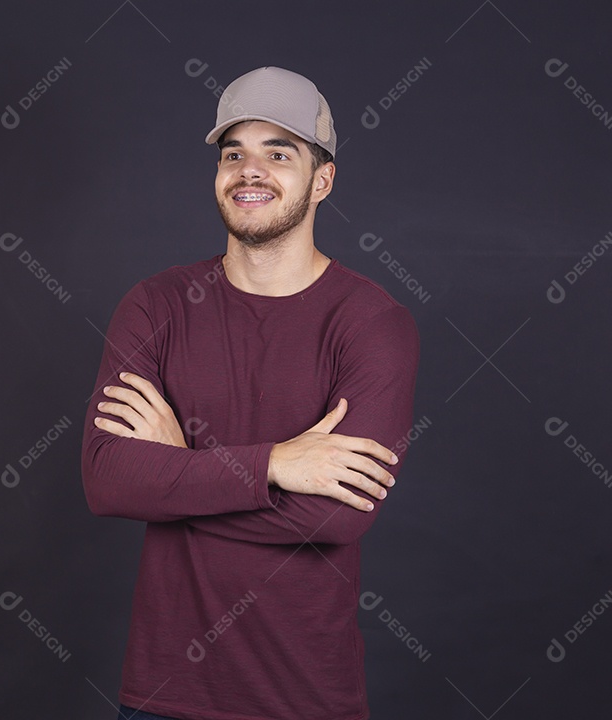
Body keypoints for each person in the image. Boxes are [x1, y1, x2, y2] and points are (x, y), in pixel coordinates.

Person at [80, 66, 420, 720]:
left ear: (322, 180)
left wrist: (176, 467)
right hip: (162, 697)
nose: (250, 170)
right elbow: (107, 481)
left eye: (279, 153)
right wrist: (275, 466)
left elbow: (339, 516)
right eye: (234, 153)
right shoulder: (154, 305)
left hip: (305, 699)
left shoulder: (373, 323)